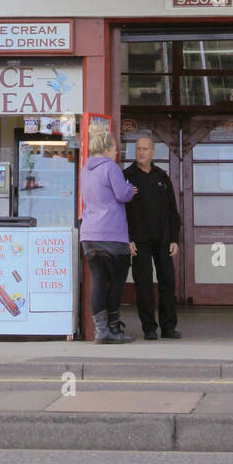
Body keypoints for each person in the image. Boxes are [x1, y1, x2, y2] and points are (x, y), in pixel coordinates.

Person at [79, 130, 137, 343]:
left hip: (89, 235)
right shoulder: (110, 167)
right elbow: (122, 194)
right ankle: (113, 329)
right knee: (117, 282)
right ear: (106, 149)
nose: (116, 152)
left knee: (98, 281)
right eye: (114, 148)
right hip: (112, 234)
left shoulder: (86, 169)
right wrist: (131, 188)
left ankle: (101, 330)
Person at [125, 134, 182, 339]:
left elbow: (172, 211)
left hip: (163, 240)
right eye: (138, 149)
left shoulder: (162, 176)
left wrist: (175, 239)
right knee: (144, 285)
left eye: (145, 149)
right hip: (139, 241)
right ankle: (149, 328)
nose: (141, 152)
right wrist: (127, 238)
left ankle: (168, 327)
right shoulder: (127, 175)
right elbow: (120, 212)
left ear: (153, 152)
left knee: (167, 282)